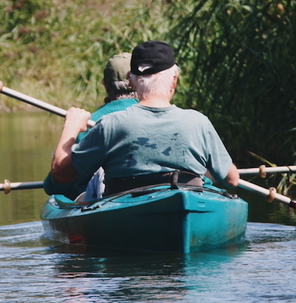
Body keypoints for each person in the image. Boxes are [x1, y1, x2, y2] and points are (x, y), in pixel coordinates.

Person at [50, 40, 242, 196]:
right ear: (174, 79)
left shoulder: (109, 124)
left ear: (131, 81)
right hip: (188, 198)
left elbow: (60, 175)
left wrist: (71, 127)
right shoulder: (199, 122)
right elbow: (231, 180)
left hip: (126, 210)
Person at [41, 53, 138, 202]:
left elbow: (55, 186)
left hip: (101, 201)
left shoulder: (88, 124)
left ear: (105, 84)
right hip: (151, 194)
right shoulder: (160, 116)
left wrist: (71, 127)